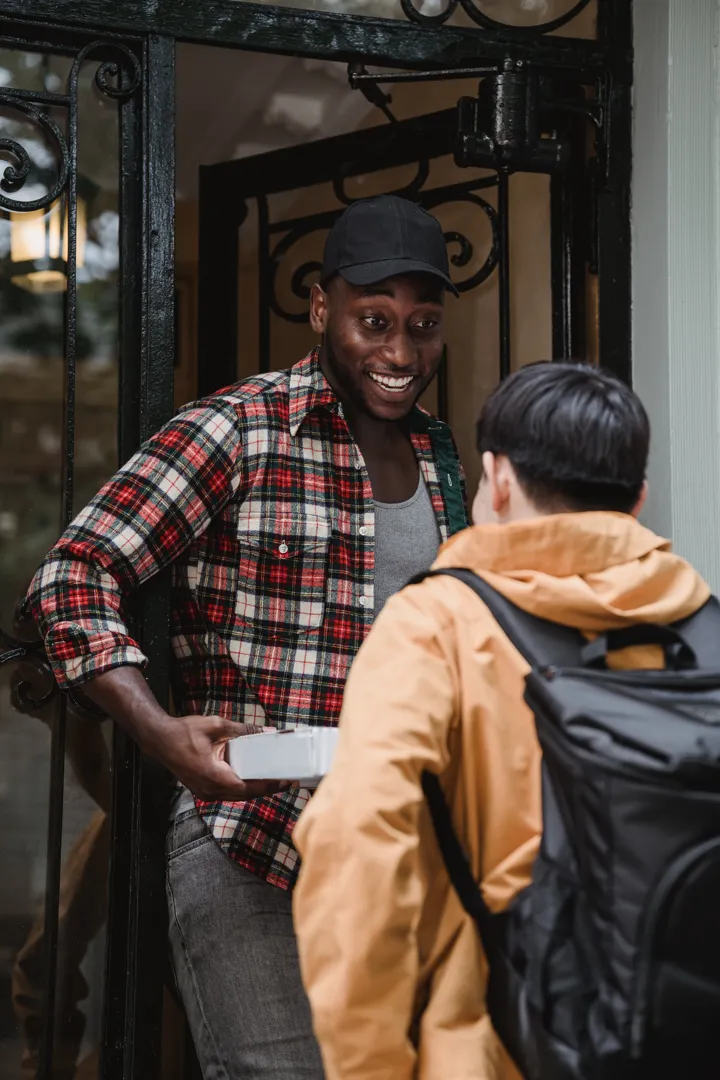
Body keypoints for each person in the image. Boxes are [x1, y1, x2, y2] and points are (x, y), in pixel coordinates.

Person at [26, 194, 467, 1079]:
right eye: (374, 321)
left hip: (401, 855)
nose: (400, 353)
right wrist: (157, 730)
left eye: (423, 327)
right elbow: (72, 576)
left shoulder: (441, 455)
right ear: (321, 308)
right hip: (255, 842)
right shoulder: (238, 428)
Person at [293, 361, 710, 1080]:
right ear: (638, 497)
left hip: (496, 1048)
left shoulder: (435, 624)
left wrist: (369, 1064)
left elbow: (360, 846)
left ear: (500, 478)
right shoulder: (702, 625)